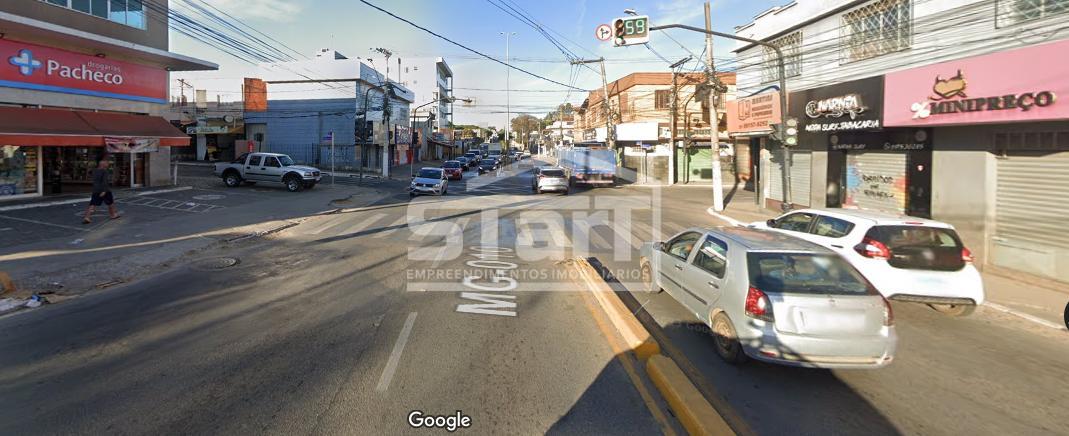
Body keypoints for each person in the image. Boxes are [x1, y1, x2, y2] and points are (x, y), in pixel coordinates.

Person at [82, 158, 120, 224]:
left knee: (93, 204)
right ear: (103, 165)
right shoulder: (104, 171)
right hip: (105, 190)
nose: (108, 164)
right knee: (110, 202)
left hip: (96, 189)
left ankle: (87, 217)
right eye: (107, 163)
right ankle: (113, 214)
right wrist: (104, 191)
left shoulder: (95, 171)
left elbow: (93, 177)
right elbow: (104, 181)